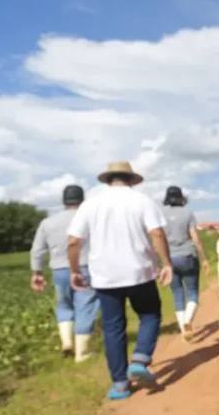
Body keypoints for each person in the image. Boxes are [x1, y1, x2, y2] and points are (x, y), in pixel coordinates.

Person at [66, 161, 173, 401]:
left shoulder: (90, 204)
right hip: (140, 272)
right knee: (150, 315)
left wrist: (74, 270)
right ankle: (140, 359)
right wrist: (166, 263)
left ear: (108, 180)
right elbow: (157, 233)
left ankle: (120, 385)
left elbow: (73, 241)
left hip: (105, 276)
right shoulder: (142, 201)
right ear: (131, 179)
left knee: (113, 328)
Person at [30, 184, 99, 362]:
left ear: (63, 201)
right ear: (83, 200)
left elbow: (37, 250)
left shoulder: (47, 223)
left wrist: (37, 272)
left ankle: (67, 342)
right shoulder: (91, 219)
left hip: (59, 270)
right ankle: (82, 353)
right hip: (84, 267)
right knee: (85, 306)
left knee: (64, 305)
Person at [160, 185, 210, 341]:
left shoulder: (161, 215)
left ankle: (183, 330)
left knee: (177, 294)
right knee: (193, 292)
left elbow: (159, 238)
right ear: (181, 197)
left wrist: (161, 262)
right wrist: (204, 259)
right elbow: (196, 239)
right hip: (188, 256)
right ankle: (188, 321)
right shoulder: (187, 213)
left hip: (170, 259)